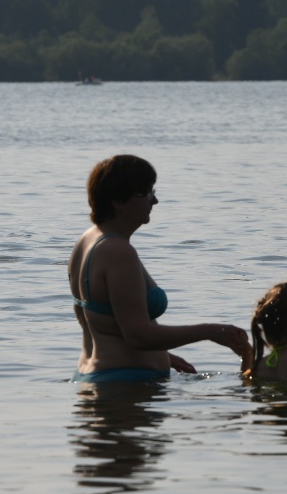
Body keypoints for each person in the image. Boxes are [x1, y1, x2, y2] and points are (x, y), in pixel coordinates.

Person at [70, 154, 250, 383]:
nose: (154, 201)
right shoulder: (118, 252)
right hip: (124, 383)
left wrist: (162, 354)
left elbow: (102, 322)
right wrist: (210, 331)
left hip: (100, 375)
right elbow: (139, 336)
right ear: (118, 201)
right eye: (146, 193)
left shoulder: (87, 241)